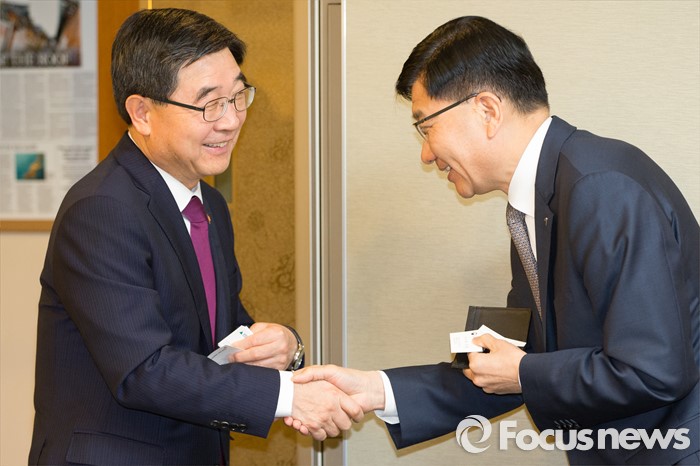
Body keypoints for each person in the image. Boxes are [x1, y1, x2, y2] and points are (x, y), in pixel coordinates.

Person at [289, 15, 699, 465]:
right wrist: (375, 389)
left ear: (487, 110)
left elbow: (653, 371)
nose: (426, 154)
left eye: (426, 127)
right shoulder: (533, 202)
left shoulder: (600, 188)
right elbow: (508, 359)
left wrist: (523, 372)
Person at [29, 8, 361, 465]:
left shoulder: (210, 205)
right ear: (142, 112)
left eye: (238, 96)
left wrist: (286, 346)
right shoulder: (101, 210)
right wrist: (288, 397)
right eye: (209, 104)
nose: (230, 121)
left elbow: (221, 338)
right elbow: (144, 370)